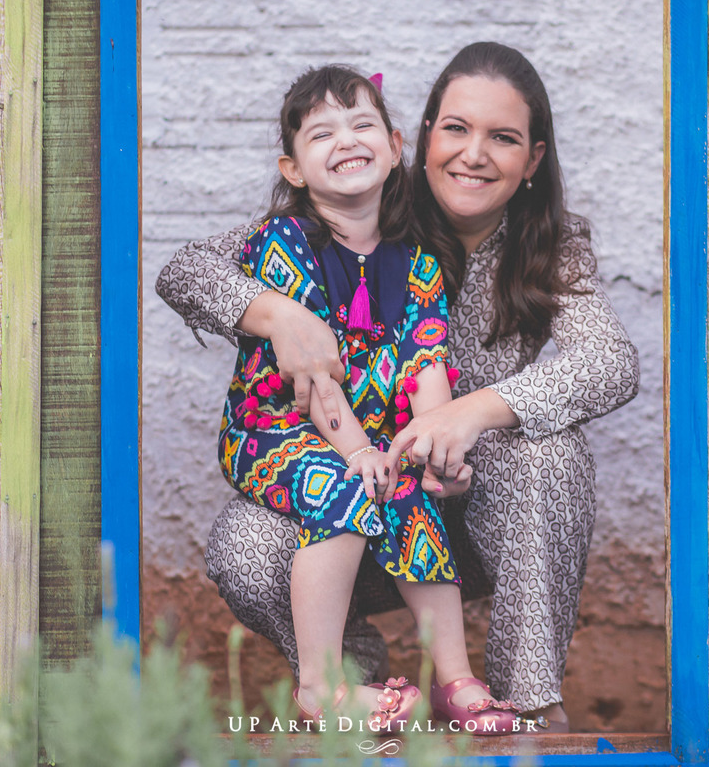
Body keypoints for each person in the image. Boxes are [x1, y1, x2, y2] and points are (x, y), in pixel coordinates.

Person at [156, 43, 640, 733]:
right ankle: (351, 690)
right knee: (246, 543)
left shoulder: (541, 245)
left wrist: (467, 417)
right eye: (456, 129)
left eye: (503, 138)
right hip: (342, 478)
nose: (474, 154)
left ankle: (524, 704)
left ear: (533, 159)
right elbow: (187, 272)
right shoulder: (350, 207)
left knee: (551, 455)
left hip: (461, 501)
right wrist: (281, 316)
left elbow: (610, 363)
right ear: (422, 137)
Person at [204, 64, 520, 734]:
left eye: (361, 124)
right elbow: (314, 381)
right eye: (322, 134)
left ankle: (455, 679)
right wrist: (356, 452)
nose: (345, 139)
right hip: (275, 431)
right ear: (293, 169)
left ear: (396, 145)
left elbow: (425, 361)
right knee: (349, 488)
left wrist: (432, 448)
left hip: (365, 441)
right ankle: (320, 687)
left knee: (407, 493)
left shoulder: (419, 260)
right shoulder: (283, 247)